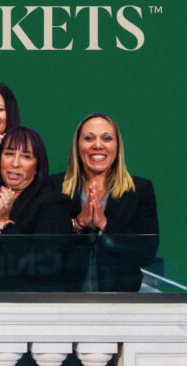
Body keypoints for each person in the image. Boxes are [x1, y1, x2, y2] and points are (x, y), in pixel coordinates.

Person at [50, 113, 159, 291]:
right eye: (88, 138)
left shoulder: (140, 190)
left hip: (119, 304)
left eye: (107, 138)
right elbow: (42, 250)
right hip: (64, 302)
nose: (98, 145)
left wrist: (104, 225)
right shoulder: (53, 186)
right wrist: (76, 224)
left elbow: (146, 253)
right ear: (78, 146)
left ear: (117, 146)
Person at [0, 126, 73, 291]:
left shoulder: (54, 203)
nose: (15, 163)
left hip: (32, 303)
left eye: (26, 156)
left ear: (38, 166)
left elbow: (45, 265)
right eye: (8, 154)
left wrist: (4, 224)